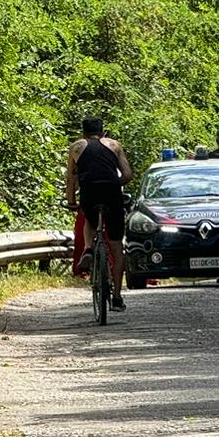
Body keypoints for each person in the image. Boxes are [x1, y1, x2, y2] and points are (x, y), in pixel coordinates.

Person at [64, 116, 133, 310]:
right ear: (103, 132)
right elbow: (127, 175)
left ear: (83, 133)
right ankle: (118, 296)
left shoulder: (76, 147)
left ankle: (88, 249)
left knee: (90, 220)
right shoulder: (114, 145)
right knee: (117, 246)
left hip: (89, 191)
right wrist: (113, 183)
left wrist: (71, 201)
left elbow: (70, 179)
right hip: (111, 192)